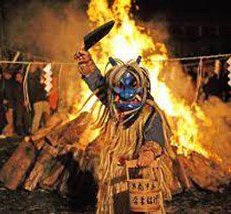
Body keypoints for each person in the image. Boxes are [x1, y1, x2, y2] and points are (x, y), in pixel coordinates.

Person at [74, 48, 176, 213]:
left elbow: (155, 137)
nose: (126, 95)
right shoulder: (114, 105)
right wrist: (87, 65)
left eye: (132, 89)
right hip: (115, 172)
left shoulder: (148, 113)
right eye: (120, 89)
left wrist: (149, 152)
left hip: (140, 173)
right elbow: (100, 86)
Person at [28, 64, 50, 133]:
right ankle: (33, 131)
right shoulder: (32, 77)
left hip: (44, 99)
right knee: (37, 116)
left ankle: (46, 130)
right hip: (37, 100)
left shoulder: (40, 75)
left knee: (46, 115)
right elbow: (37, 87)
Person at [12, 71, 30, 136]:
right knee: (19, 118)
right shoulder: (15, 86)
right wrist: (22, 101)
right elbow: (16, 95)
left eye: (20, 76)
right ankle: (19, 132)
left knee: (26, 117)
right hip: (19, 104)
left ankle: (27, 130)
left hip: (25, 104)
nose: (19, 78)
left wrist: (27, 101)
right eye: (18, 77)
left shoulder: (25, 84)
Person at [2, 69, 15, 137]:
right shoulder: (5, 82)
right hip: (7, 103)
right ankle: (8, 131)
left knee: (10, 118)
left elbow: (12, 94)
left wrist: (8, 100)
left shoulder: (11, 83)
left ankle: (9, 132)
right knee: (8, 117)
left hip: (10, 103)